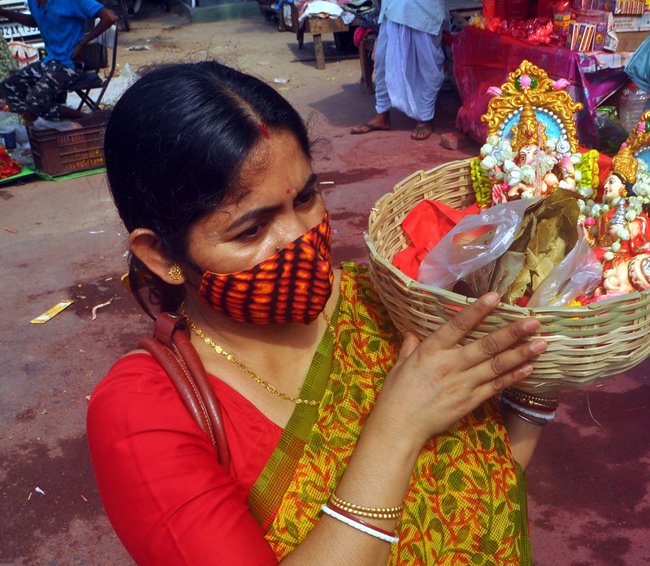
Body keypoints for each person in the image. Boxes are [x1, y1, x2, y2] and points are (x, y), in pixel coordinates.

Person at [88, 61, 556, 565]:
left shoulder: (384, 301)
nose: (299, 240)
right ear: (160, 255)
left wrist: (539, 378)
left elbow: (482, 492)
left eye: (306, 198)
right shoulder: (144, 411)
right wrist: (397, 426)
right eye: (251, 231)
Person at [0, 0, 117, 123]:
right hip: (49, 62)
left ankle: (87, 119)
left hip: (71, 64)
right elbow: (35, 21)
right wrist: (3, 12)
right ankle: (37, 126)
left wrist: (83, 43)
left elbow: (109, 17)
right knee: (7, 86)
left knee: (35, 100)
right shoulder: (33, 2)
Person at [350, 0, 446, 141]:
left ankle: (425, 118)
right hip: (393, 10)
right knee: (383, 61)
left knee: (426, 65)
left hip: (423, 11)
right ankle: (382, 115)